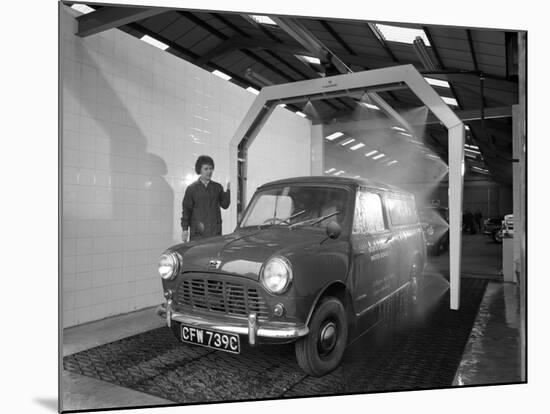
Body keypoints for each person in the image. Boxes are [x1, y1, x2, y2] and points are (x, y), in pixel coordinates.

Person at [181, 155, 230, 241]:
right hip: (198, 234)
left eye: (211, 168)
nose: (209, 171)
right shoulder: (192, 189)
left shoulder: (217, 187)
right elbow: (186, 210)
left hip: (215, 233)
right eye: (206, 169)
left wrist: (229, 191)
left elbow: (225, 205)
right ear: (200, 170)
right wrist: (185, 229)